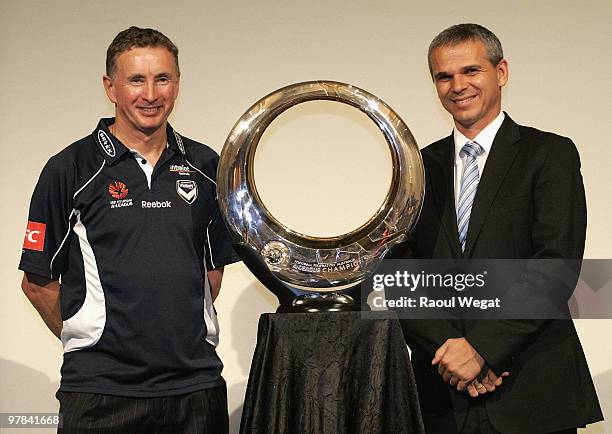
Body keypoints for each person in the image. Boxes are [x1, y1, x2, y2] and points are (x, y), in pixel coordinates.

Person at [19, 26, 238, 433]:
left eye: (163, 79)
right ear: (110, 87)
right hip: (100, 394)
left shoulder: (207, 167)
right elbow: (36, 282)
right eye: (136, 79)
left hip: (195, 388)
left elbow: (210, 273)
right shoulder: (69, 169)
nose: (151, 94)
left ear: (177, 84)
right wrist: (91, 338)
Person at [398, 24, 603, 434]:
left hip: (531, 391)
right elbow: (400, 273)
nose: (458, 85)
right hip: (442, 395)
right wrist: (451, 353)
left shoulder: (549, 154)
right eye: (444, 76)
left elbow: (554, 267)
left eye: (471, 71)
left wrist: (482, 351)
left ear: (501, 72)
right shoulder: (413, 167)